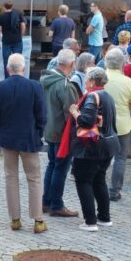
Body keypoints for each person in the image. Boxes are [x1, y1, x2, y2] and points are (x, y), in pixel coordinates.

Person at [0, 54, 48, 234]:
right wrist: (38, 132)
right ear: (24, 69)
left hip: (7, 139)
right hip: (29, 138)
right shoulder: (35, 87)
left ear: (8, 69)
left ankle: (15, 219)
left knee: (10, 177)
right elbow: (42, 115)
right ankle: (38, 220)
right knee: (34, 178)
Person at [57, 67, 118, 231]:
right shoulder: (108, 95)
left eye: (86, 79)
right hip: (107, 145)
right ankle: (104, 217)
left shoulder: (92, 96)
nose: (85, 81)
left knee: (83, 181)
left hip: (91, 147)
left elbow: (86, 121)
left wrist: (75, 112)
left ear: (91, 81)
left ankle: (90, 221)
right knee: (99, 180)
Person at [40, 49, 79, 217]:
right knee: (60, 169)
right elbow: (71, 112)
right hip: (62, 134)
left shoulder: (46, 80)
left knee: (52, 166)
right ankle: (56, 204)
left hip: (49, 129)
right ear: (72, 64)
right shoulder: (64, 85)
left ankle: (46, 202)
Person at [104, 49, 131, 202]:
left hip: (102, 124)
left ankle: (98, 186)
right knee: (120, 158)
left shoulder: (99, 77)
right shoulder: (127, 81)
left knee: (101, 157)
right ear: (121, 64)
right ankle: (114, 191)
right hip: (123, 125)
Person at [0, 1, 26, 79]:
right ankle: (20, 78)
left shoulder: (2, 16)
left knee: (7, 61)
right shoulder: (18, 14)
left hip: (6, 41)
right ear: (12, 6)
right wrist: (21, 36)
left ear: (4, 7)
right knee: (18, 60)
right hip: (17, 40)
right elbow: (23, 26)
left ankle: (7, 79)